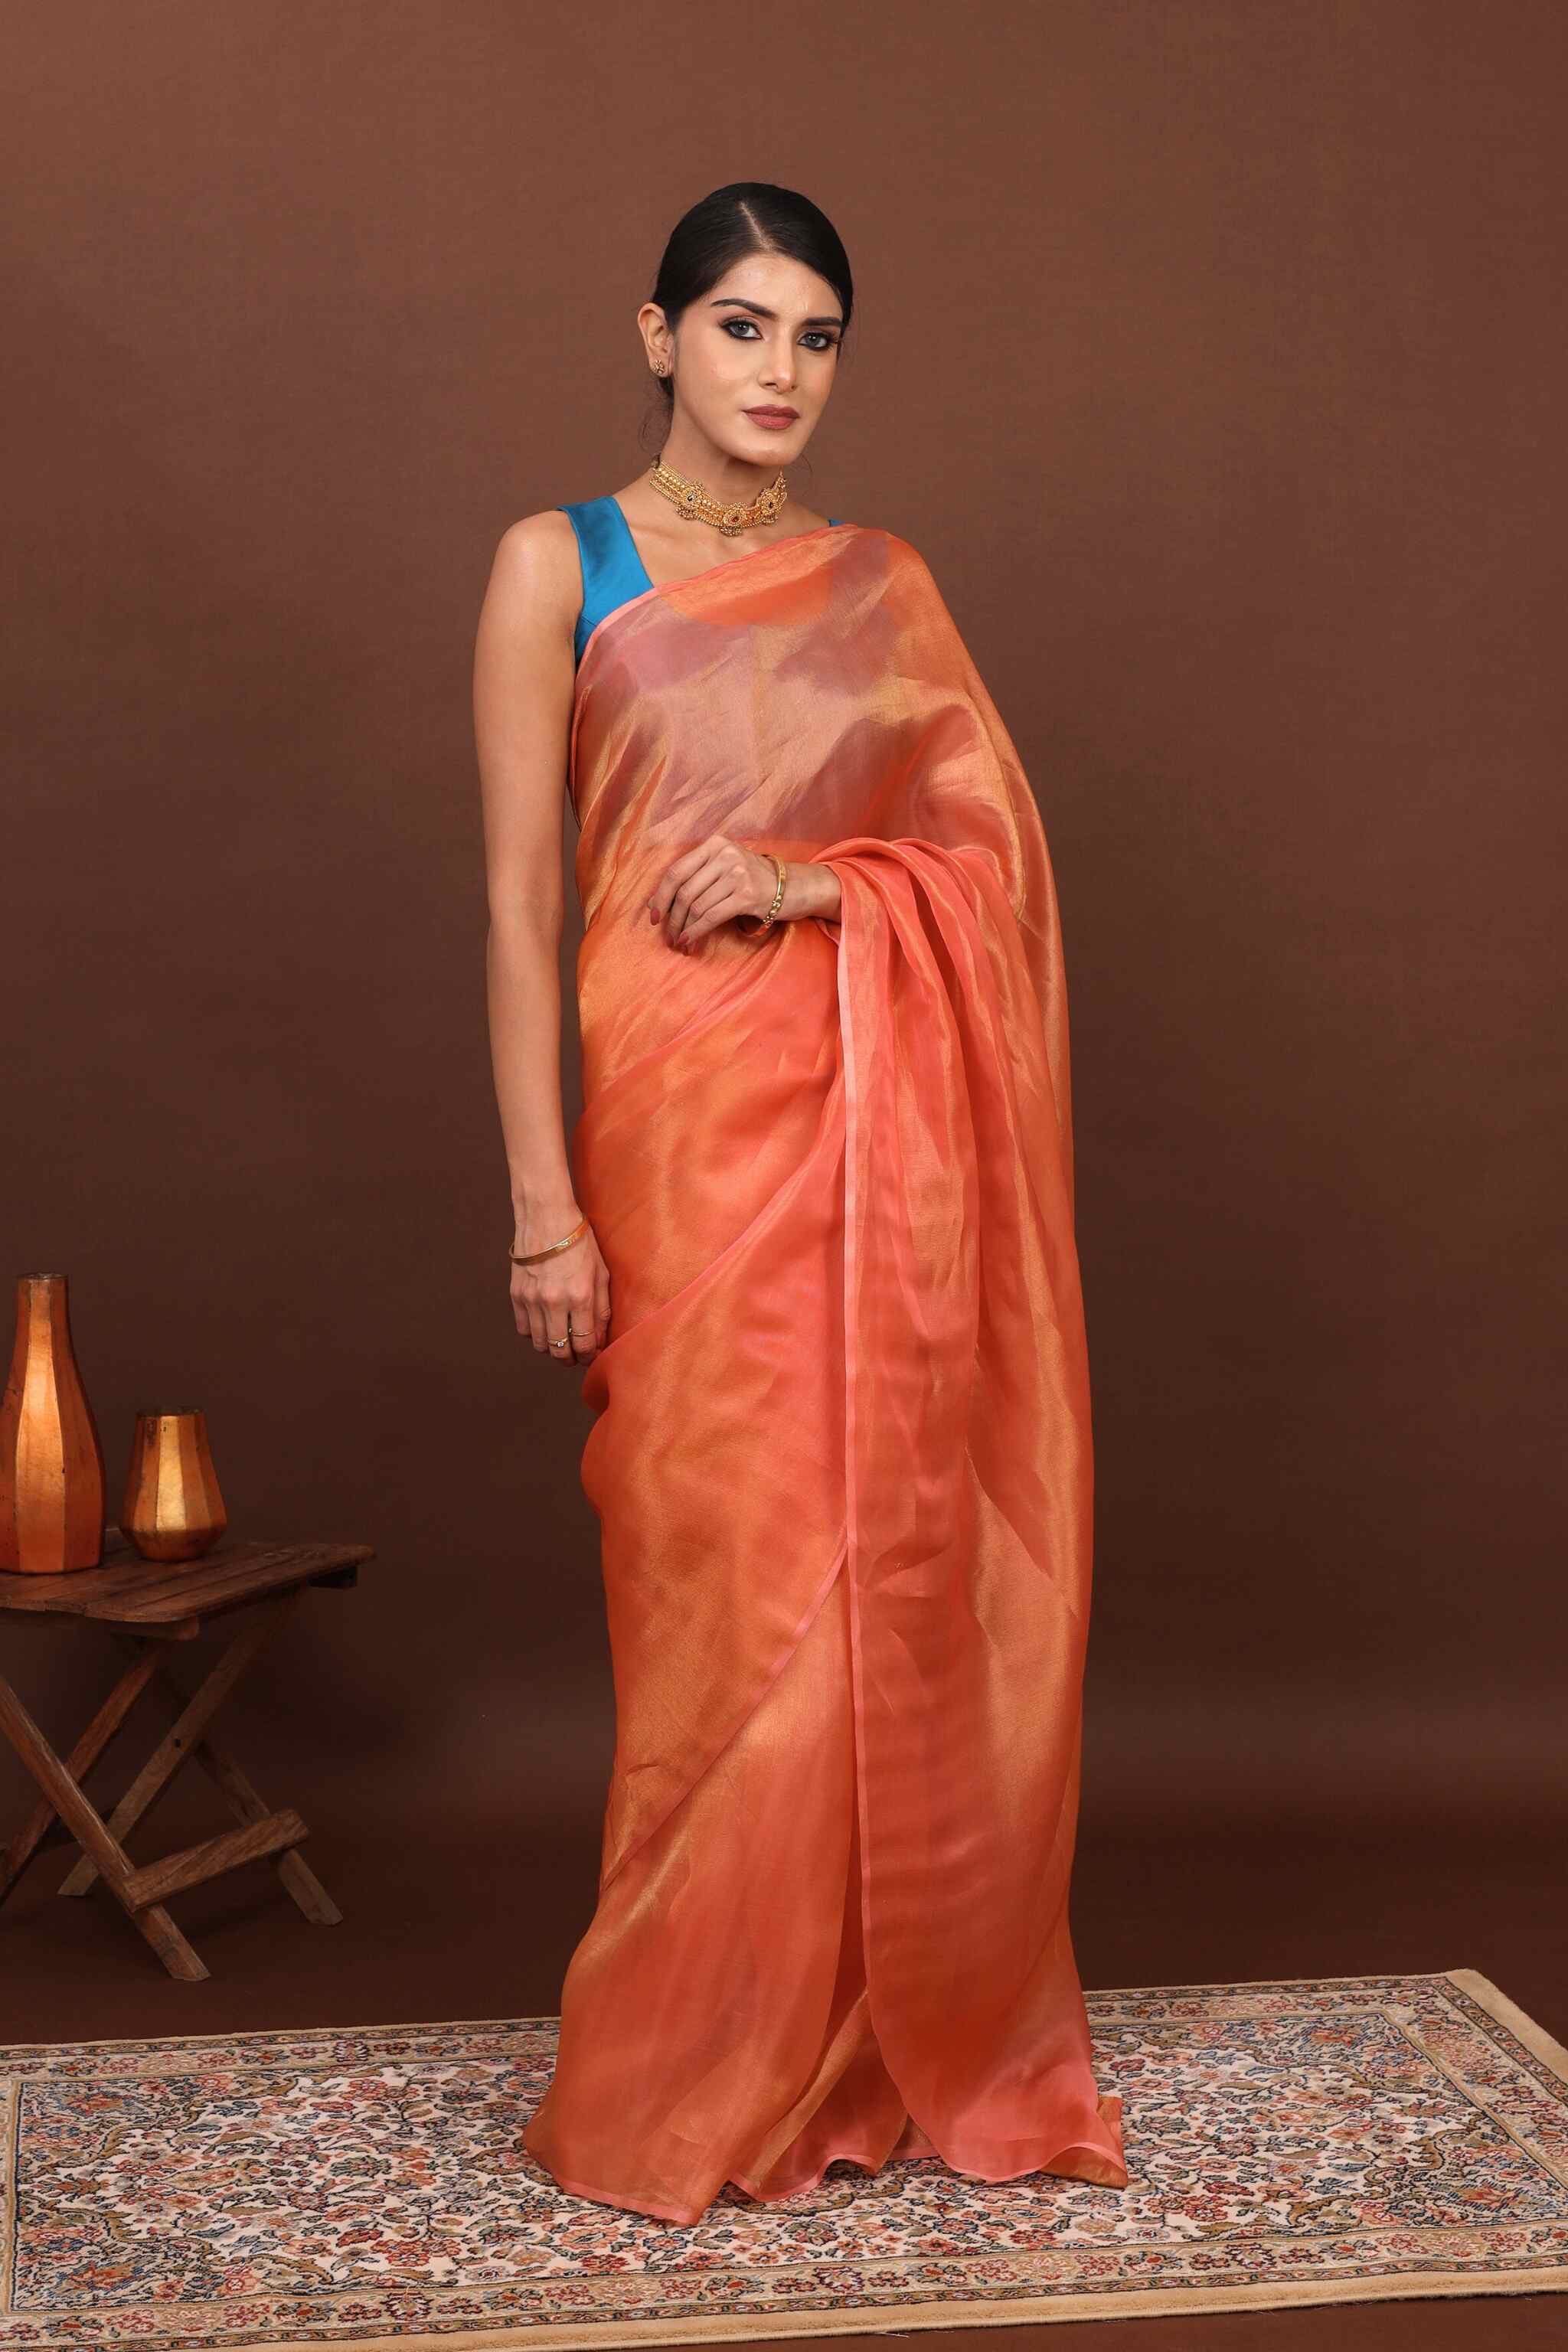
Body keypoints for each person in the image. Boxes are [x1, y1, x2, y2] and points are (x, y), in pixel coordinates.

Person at [472, 181, 1129, 2226]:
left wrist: (811, 883)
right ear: (656, 334)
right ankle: (692, 2070)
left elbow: (989, 866)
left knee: (865, 1586)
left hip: (867, 1150)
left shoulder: (880, 581)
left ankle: (855, 2041)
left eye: (815, 336)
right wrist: (540, 1209)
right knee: (723, 1609)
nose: (779, 372)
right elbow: (510, 909)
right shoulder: (550, 566)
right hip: (673, 1159)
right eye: (742, 326)